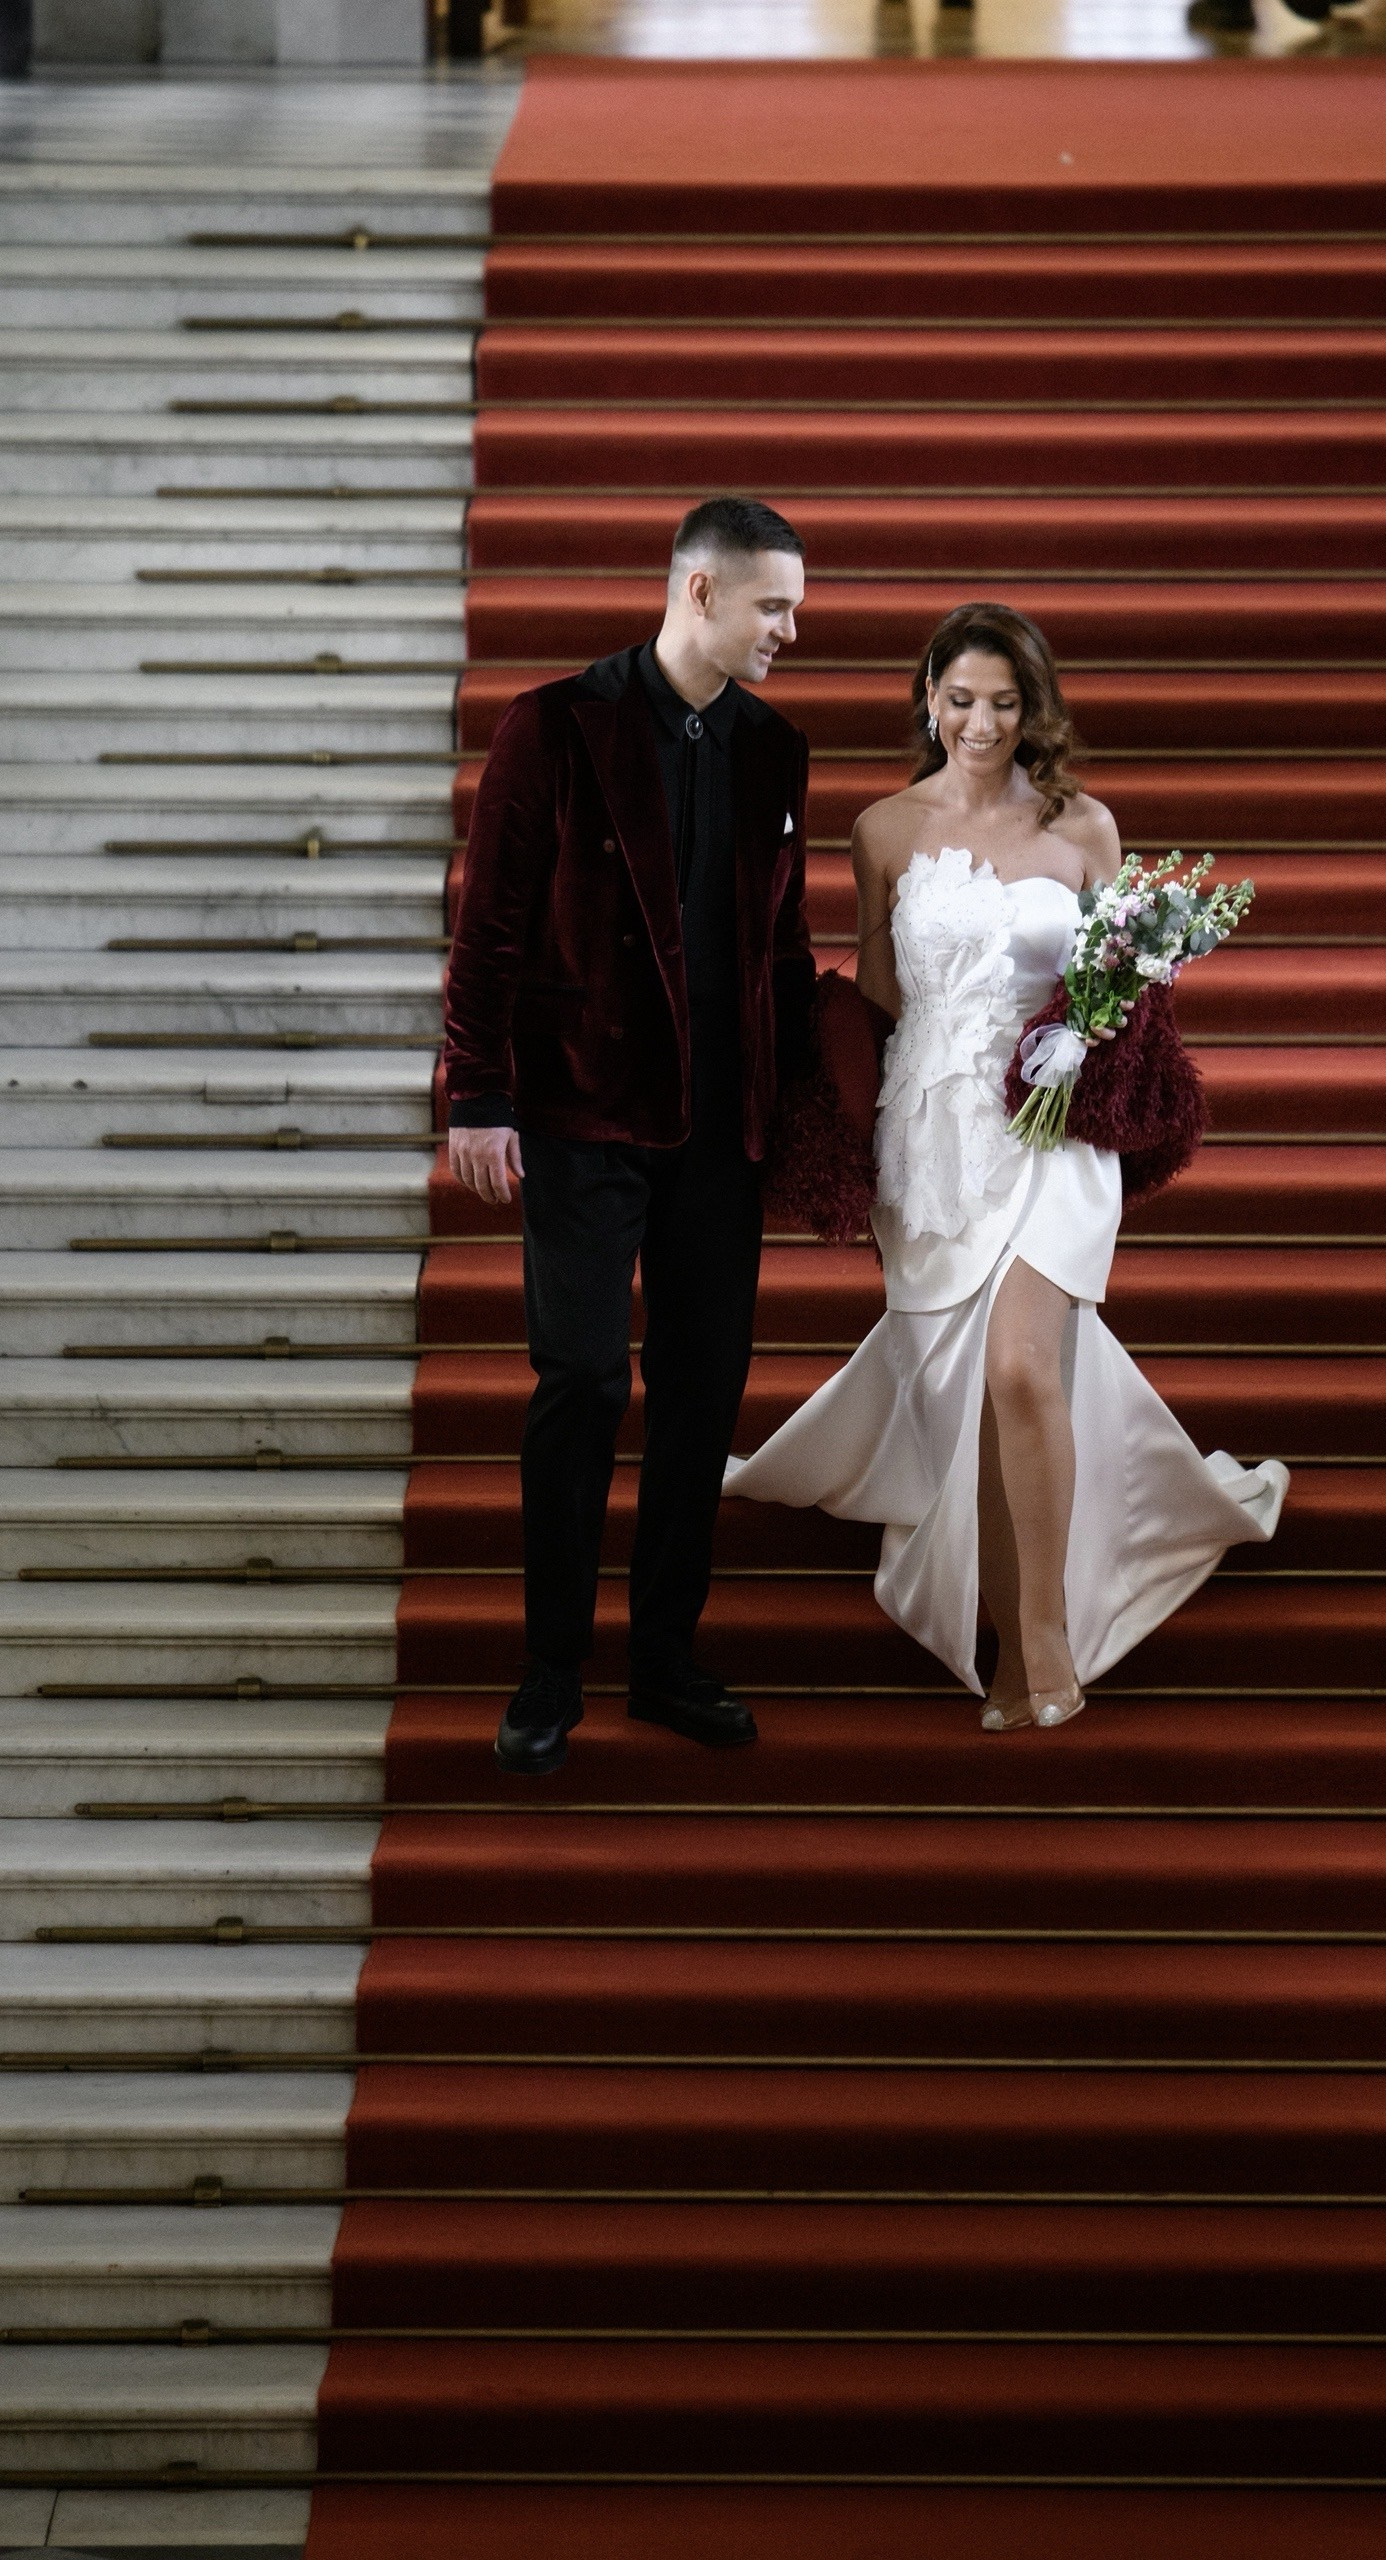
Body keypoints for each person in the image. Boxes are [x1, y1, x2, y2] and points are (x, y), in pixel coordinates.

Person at [726, 604, 1288, 1731]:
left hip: (1051, 1126)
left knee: (1024, 1368)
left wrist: (1094, 1027)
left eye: (1003, 702)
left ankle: (1047, 1643)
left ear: (1034, 709)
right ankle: (1008, 1645)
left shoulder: (1083, 826)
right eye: (959, 700)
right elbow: (878, 997)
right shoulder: (883, 829)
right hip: (931, 1132)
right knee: (972, 1400)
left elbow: (1132, 988)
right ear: (928, 699)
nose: (979, 724)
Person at [442, 496, 812, 1773]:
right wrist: (476, 1095)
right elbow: (487, 925)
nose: (789, 631)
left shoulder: (773, 747)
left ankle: (663, 1657)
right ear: (699, 592)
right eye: (773, 607)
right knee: (585, 1381)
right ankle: (551, 1670)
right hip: (582, 1109)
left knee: (702, 1391)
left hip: (721, 1132)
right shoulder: (554, 725)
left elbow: (779, 949)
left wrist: (803, 1113)